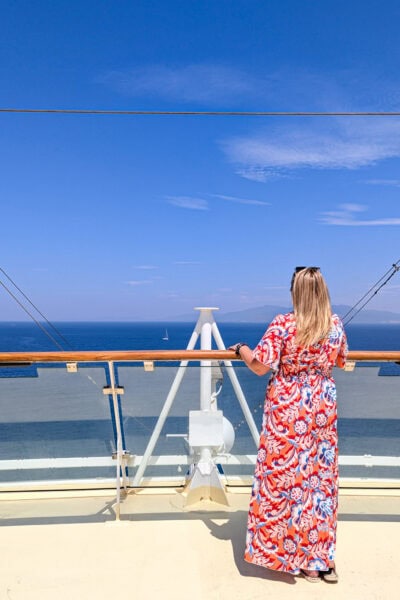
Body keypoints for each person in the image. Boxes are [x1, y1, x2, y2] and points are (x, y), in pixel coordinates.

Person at [230, 267, 348, 583]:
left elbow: (258, 365)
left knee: (284, 479)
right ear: (323, 291)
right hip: (322, 407)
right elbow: (341, 360)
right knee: (319, 482)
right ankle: (318, 561)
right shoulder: (335, 324)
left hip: (288, 408)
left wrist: (241, 349)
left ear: (295, 292)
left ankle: (286, 555)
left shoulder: (283, 324)